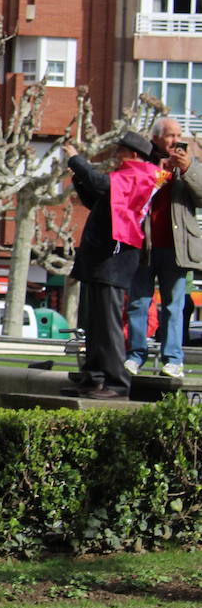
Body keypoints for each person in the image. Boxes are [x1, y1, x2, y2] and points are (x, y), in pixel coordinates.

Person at [63, 132, 160, 399]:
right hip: (101, 259)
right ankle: (94, 378)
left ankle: (117, 384)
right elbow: (98, 199)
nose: (117, 155)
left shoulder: (141, 174)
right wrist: (80, 176)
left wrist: (75, 159)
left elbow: (101, 185)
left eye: (121, 151)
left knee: (108, 324)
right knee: (94, 324)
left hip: (113, 260)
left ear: (135, 154)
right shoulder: (129, 175)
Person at [125, 118, 202, 379]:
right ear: (156, 138)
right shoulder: (145, 163)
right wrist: (155, 173)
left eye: (179, 135)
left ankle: (173, 359)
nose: (175, 140)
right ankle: (135, 355)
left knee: (173, 306)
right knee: (138, 303)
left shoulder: (189, 165)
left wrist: (188, 168)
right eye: (170, 135)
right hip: (143, 244)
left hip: (177, 248)